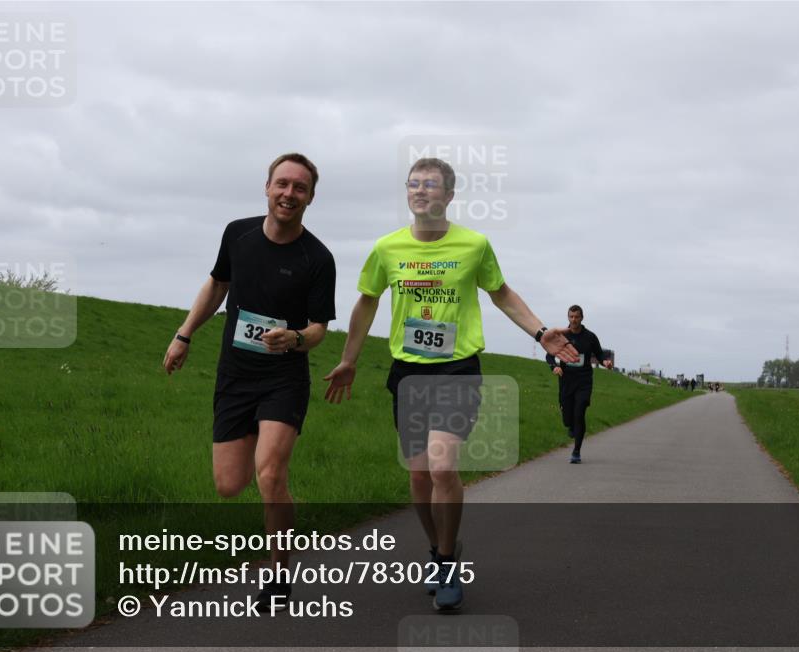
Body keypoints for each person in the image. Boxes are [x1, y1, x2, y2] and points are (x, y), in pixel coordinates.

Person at [324, 157, 577, 612]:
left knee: (442, 468)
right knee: (419, 474)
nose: (421, 191)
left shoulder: (474, 245)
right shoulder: (387, 249)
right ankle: (440, 546)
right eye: (414, 184)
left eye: (431, 185)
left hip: (457, 369)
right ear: (407, 193)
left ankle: (445, 561)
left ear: (449, 196)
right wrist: (348, 359)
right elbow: (367, 301)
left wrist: (540, 333)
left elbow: (500, 292)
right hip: (407, 372)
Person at [162, 153, 336, 610]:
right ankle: (275, 487)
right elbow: (217, 285)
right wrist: (184, 335)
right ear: (267, 187)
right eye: (282, 184)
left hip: (283, 379)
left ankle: (278, 576)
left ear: (310, 198)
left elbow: (320, 329)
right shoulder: (236, 233)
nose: (289, 194)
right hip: (235, 377)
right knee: (228, 484)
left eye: (300, 188)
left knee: (270, 474)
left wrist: (295, 337)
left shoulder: (317, 258)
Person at [546, 305, 612, 464]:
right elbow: (549, 356)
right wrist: (554, 366)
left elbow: (599, 353)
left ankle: (576, 452)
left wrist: (605, 362)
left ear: (582, 318)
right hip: (566, 381)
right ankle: (571, 426)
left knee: (579, 412)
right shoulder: (561, 336)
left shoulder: (590, 337)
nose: (574, 320)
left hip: (584, 380)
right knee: (568, 419)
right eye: (571, 317)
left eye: (576, 317)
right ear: (568, 318)